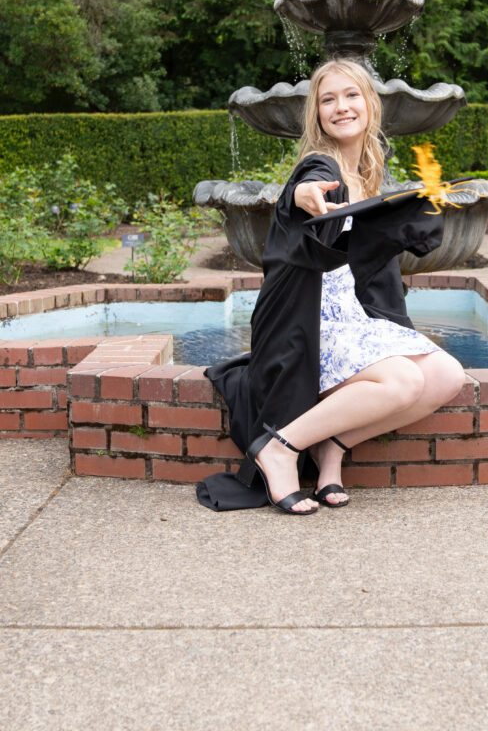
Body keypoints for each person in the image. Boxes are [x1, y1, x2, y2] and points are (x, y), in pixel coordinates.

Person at [196, 58, 466, 514]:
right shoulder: (320, 165)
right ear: (317, 114)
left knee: (446, 376)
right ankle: (279, 448)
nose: (341, 107)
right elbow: (302, 189)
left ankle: (332, 448)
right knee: (401, 380)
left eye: (351, 95)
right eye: (328, 99)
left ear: (370, 104)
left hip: (353, 319)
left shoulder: (367, 173)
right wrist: (304, 195)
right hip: (311, 325)